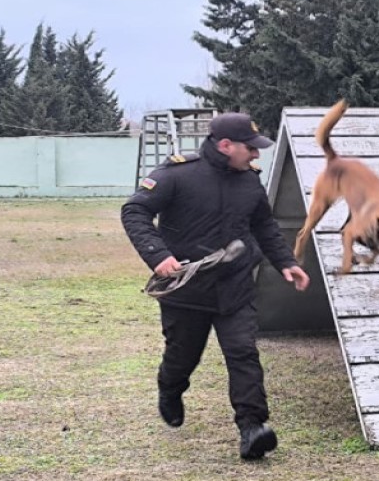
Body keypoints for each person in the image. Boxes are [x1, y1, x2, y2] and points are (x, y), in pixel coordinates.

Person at [121, 112, 310, 460]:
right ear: (225, 145)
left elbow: (264, 225)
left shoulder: (249, 181)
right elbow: (134, 211)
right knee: (183, 356)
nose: (256, 154)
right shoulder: (177, 174)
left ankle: (252, 428)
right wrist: (158, 255)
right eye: (250, 148)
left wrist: (286, 262)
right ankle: (170, 388)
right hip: (187, 289)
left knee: (243, 354)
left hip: (235, 287)